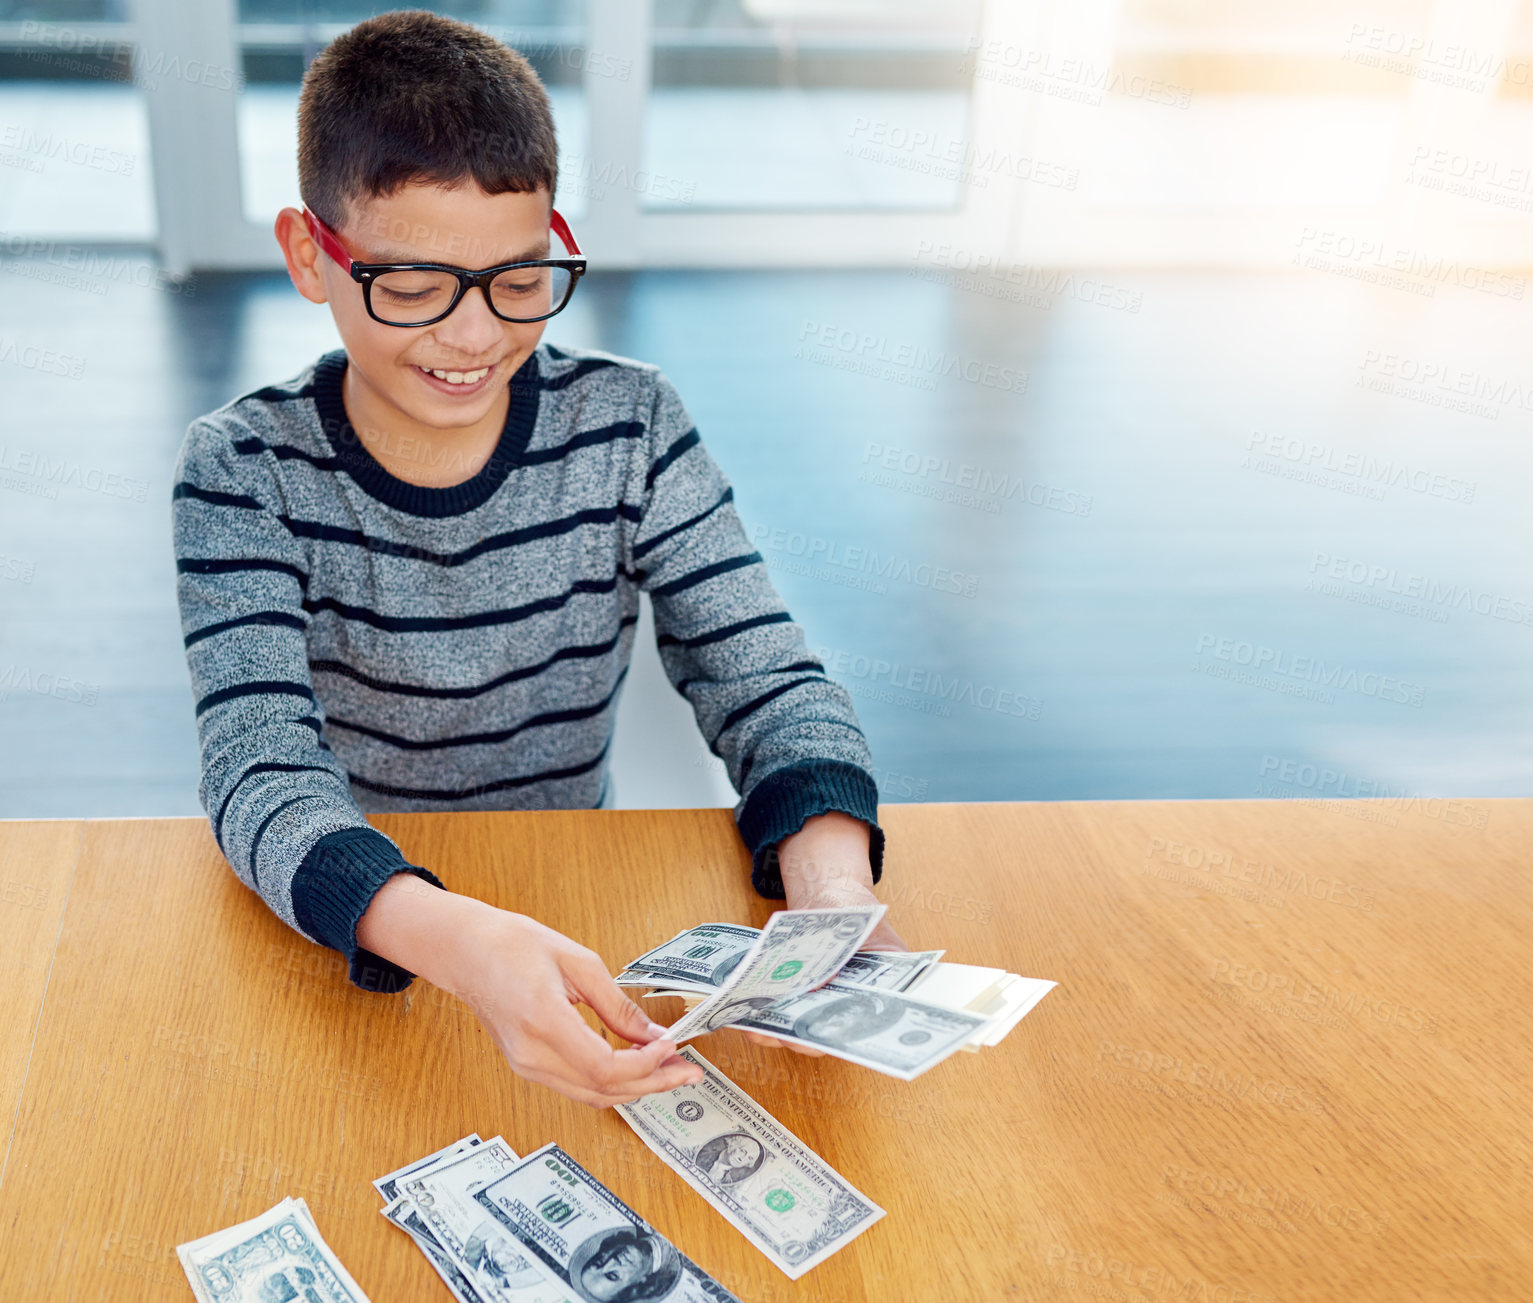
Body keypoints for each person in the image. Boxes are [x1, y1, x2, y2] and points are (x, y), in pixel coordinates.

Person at [171, 9, 904, 1109]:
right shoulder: (242, 470)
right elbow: (256, 763)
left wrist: (832, 878)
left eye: (518, 279)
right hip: (349, 913)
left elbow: (765, 675)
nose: (473, 338)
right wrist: (453, 939)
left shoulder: (631, 423)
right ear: (308, 255)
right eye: (413, 285)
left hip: (565, 894)